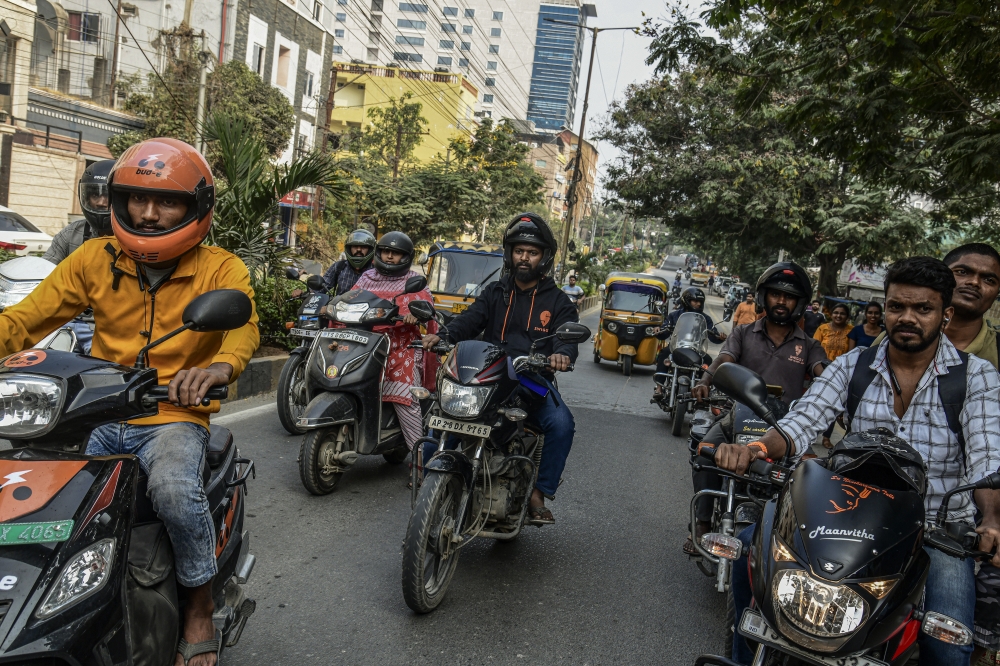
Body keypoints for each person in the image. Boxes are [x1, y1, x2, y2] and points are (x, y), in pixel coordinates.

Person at [0, 138, 259, 666]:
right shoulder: (92, 258)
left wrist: (217, 368)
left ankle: (199, 607)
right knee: (26, 488)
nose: (147, 213)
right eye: (136, 198)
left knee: (171, 487)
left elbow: (244, 328)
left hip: (171, 416)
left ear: (197, 207)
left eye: (166, 202)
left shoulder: (222, 269)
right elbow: (25, 321)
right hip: (93, 414)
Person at [716, 256, 1000, 666]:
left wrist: (991, 520)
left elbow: (987, 458)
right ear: (884, 308)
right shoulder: (854, 365)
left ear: (945, 314)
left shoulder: (976, 377)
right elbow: (802, 421)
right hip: (847, 518)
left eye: (922, 309)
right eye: (896, 306)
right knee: (749, 553)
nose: (907, 318)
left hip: (935, 531)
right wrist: (754, 449)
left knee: (949, 644)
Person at [422, 212, 580, 525]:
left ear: (544, 258)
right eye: (519, 251)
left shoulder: (559, 300)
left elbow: (568, 334)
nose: (525, 258)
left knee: (562, 423)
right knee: (444, 412)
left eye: (532, 253)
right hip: (487, 375)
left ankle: (539, 492)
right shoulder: (496, 292)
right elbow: (469, 319)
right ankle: (430, 479)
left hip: (530, 378)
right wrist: (443, 336)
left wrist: (562, 354)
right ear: (510, 254)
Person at [684, 263, 827, 555]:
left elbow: (824, 374)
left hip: (786, 426)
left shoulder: (810, 345)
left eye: (789, 297)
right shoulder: (744, 333)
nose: (782, 301)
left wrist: (835, 391)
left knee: (811, 476)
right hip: (738, 413)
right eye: (776, 294)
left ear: (799, 303)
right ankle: (700, 524)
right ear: (764, 297)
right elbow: (724, 359)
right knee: (706, 449)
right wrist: (704, 381)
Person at [351, 231, 435, 452]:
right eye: (386, 251)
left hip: (401, 347)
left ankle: (418, 463)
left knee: (406, 400)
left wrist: (416, 315)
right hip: (365, 344)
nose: (389, 257)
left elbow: (427, 304)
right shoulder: (367, 277)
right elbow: (350, 299)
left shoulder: (413, 281)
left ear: (406, 257)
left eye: (395, 254)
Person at [42, 159, 117, 354]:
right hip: (66, 322)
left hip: (109, 327)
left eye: (107, 195)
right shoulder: (70, 235)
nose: (100, 202)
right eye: (94, 194)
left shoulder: (135, 240)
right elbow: (43, 276)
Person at [653, 287, 725, 394]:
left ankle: (702, 389)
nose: (698, 304)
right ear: (686, 301)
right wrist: (658, 330)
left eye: (700, 302)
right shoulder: (674, 315)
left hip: (696, 349)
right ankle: (659, 388)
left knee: (708, 361)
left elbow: (713, 334)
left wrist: (720, 337)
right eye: (695, 301)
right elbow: (664, 330)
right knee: (664, 353)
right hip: (676, 347)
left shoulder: (706, 318)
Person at [812, 302, 852, 448]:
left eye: (842, 313)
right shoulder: (822, 329)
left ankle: (826, 438)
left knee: (835, 406)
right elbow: (814, 349)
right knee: (817, 404)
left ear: (847, 317)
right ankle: (810, 435)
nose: (838, 316)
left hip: (841, 374)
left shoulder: (851, 331)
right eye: (836, 313)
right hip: (821, 371)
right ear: (831, 314)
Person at [322, 229, 376, 295]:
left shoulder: (377, 271)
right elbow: (322, 286)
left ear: (370, 249)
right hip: (340, 304)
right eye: (355, 246)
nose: (359, 249)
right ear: (349, 248)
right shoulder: (339, 267)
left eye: (363, 247)